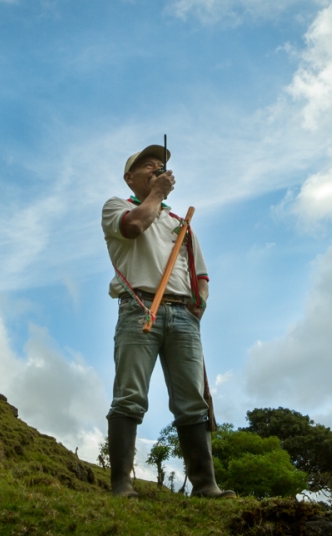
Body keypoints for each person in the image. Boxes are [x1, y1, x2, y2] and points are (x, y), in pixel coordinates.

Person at [101, 143, 235, 499]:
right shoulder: (118, 206)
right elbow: (134, 228)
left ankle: (205, 486)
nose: (157, 169)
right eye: (149, 166)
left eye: (161, 166)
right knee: (130, 395)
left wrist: (199, 303)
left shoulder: (181, 223)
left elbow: (200, 273)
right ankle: (121, 486)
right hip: (138, 307)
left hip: (183, 315)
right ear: (130, 178)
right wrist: (157, 196)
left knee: (192, 399)